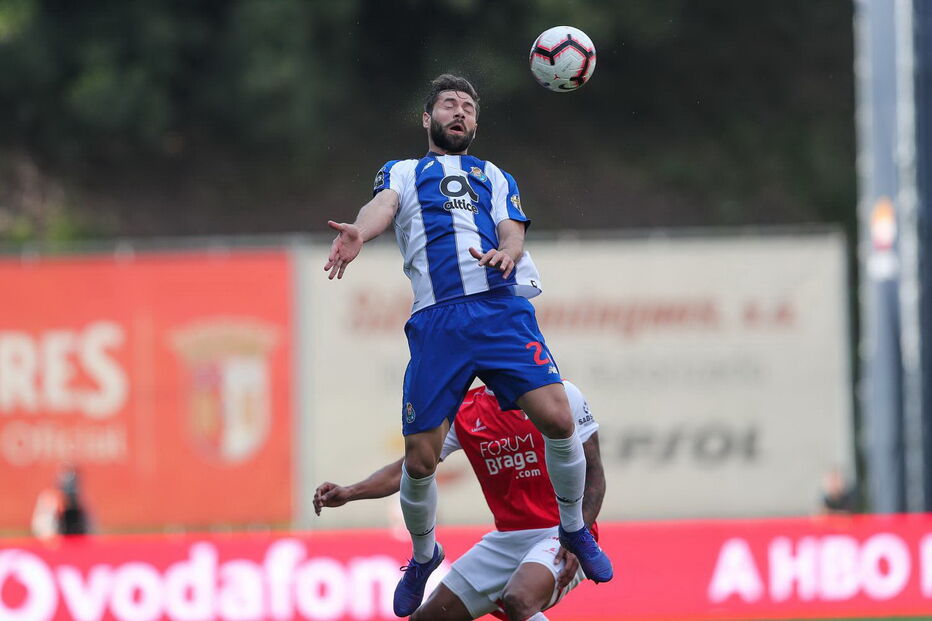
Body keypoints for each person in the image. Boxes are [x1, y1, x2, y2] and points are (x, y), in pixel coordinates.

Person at [324, 73, 612, 616]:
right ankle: (423, 556)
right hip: (437, 321)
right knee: (420, 460)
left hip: (498, 309)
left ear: (476, 123)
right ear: (427, 118)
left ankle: (573, 529)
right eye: (449, 105)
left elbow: (512, 229)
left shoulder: (494, 175)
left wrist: (508, 252)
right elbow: (381, 206)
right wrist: (361, 231)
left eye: (468, 108)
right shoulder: (403, 171)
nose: (459, 113)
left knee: (558, 417)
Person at [314, 380, 605, 621]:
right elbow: (410, 469)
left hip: (561, 532)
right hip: (506, 541)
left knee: (519, 599)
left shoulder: (559, 393)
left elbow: (595, 474)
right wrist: (350, 491)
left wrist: (577, 535)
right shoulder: (463, 411)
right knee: (425, 619)